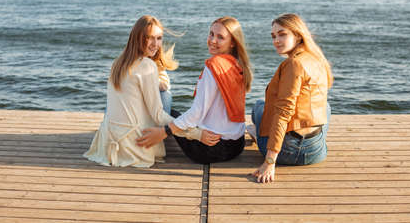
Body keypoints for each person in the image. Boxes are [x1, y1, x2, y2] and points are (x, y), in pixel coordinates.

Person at [136, 16, 253, 164]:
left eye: (220, 37)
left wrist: (163, 132)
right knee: (178, 118)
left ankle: (149, 137)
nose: (212, 40)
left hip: (210, 149)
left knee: (168, 113)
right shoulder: (238, 65)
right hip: (236, 145)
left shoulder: (214, 66)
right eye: (211, 34)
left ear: (232, 43)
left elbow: (196, 114)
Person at [84, 15, 185, 168]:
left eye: (159, 38)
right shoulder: (147, 65)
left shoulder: (118, 62)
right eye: (149, 38)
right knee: (165, 95)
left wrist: (156, 81)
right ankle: (160, 135)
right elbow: (158, 113)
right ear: (138, 38)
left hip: (110, 138)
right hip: (136, 145)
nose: (155, 44)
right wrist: (192, 131)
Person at [251, 13, 333, 183]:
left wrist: (270, 161)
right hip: (317, 151)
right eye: (273, 36)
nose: (276, 40)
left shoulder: (293, 64)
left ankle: (256, 132)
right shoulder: (316, 58)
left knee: (258, 107)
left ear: (297, 34)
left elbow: (283, 112)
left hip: (289, 153)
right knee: (325, 106)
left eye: (282, 34)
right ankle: (257, 131)